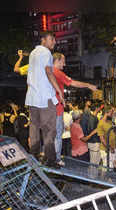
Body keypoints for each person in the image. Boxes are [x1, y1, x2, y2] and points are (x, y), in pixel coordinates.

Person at [25, 31, 63, 168]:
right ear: (43, 40)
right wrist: (58, 90)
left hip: (32, 97)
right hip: (45, 97)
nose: (54, 42)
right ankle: (50, 160)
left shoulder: (33, 53)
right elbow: (48, 72)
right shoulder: (46, 53)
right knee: (49, 130)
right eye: (52, 39)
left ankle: (33, 156)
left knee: (34, 127)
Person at [52, 52, 97, 166]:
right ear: (57, 61)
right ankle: (56, 159)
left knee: (52, 135)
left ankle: (50, 157)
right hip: (56, 109)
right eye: (63, 61)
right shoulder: (57, 72)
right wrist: (88, 85)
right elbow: (73, 83)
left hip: (48, 109)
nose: (65, 64)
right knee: (58, 135)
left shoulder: (46, 71)